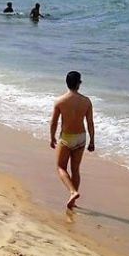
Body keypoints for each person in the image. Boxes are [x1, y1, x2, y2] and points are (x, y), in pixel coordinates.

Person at [49, 70, 95, 210]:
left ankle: (73, 192)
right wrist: (92, 141)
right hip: (81, 137)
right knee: (75, 169)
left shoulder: (60, 101)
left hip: (67, 137)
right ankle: (73, 201)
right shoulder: (86, 101)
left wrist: (52, 138)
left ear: (67, 83)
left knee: (60, 167)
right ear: (78, 84)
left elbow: (54, 122)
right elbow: (90, 123)